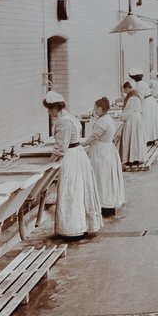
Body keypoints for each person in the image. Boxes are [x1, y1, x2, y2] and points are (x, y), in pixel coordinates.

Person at [43, 91, 102, 238]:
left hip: (71, 158)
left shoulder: (63, 121)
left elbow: (60, 148)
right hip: (78, 155)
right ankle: (82, 225)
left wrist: (46, 165)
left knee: (71, 192)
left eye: (50, 109)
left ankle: (72, 229)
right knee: (79, 191)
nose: (49, 112)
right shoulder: (71, 117)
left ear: (56, 107)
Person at [81, 96, 125, 215]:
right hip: (107, 150)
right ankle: (107, 204)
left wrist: (81, 146)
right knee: (106, 179)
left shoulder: (102, 121)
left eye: (95, 108)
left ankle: (104, 205)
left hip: (101, 153)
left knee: (102, 178)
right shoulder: (107, 119)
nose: (94, 110)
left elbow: (93, 137)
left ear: (100, 109)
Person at [118, 80, 147, 167]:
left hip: (132, 119)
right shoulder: (135, 95)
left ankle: (132, 158)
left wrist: (121, 116)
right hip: (137, 118)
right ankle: (135, 157)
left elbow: (128, 111)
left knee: (131, 138)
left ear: (127, 88)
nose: (124, 92)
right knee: (136, 139)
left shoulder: (131, 98)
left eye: (124, 90)